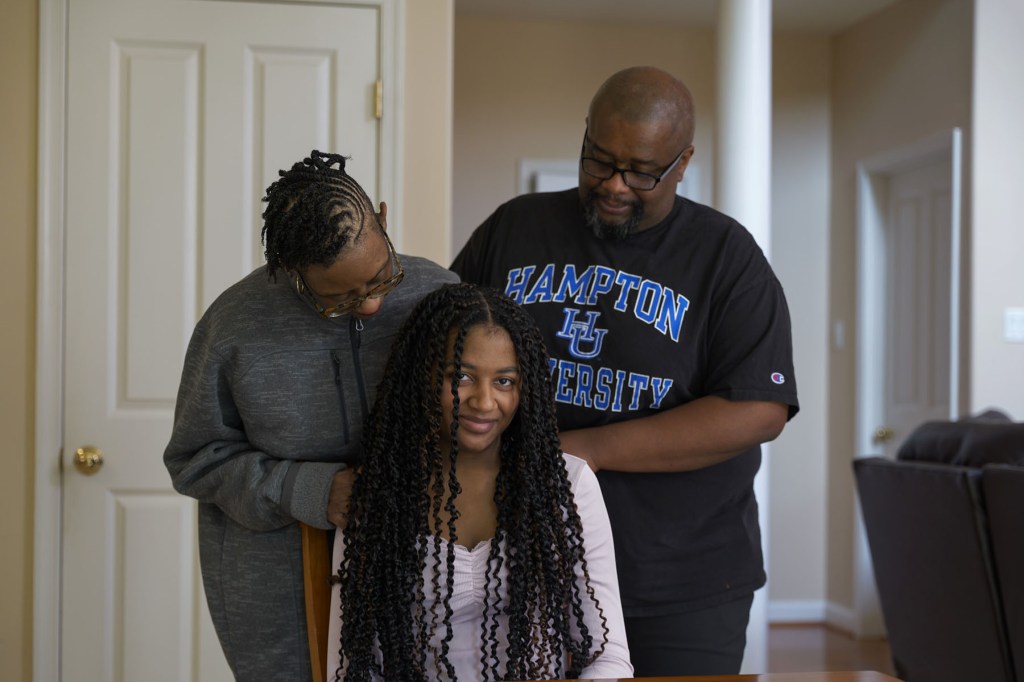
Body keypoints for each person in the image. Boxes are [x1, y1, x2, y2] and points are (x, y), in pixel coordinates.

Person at [451, 66, 800, 676]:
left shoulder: (726, 256)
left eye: (642, 171)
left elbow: (758, 408)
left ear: (683, 162)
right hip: (527, 561)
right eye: (598, 161)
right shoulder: (516, 227)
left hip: (681, 578)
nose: (614, 185)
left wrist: (582, 450)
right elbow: (441, 349)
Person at [164, 150, 459, 681]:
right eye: (337, 300)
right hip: (273, 578)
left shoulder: (441, 295)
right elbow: (193, 460)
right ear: (291, 271)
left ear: (385, 221)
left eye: (380, 279)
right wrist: (309, 488)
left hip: (420, 562)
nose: (368, 305)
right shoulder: (234, 325)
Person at [326, 283, 633, 681]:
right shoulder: (380, 492)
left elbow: (607, 658)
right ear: (424, 376)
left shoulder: (568, 486)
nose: (485, 402)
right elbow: (352, 669)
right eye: (462, 376)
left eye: (504, 381)